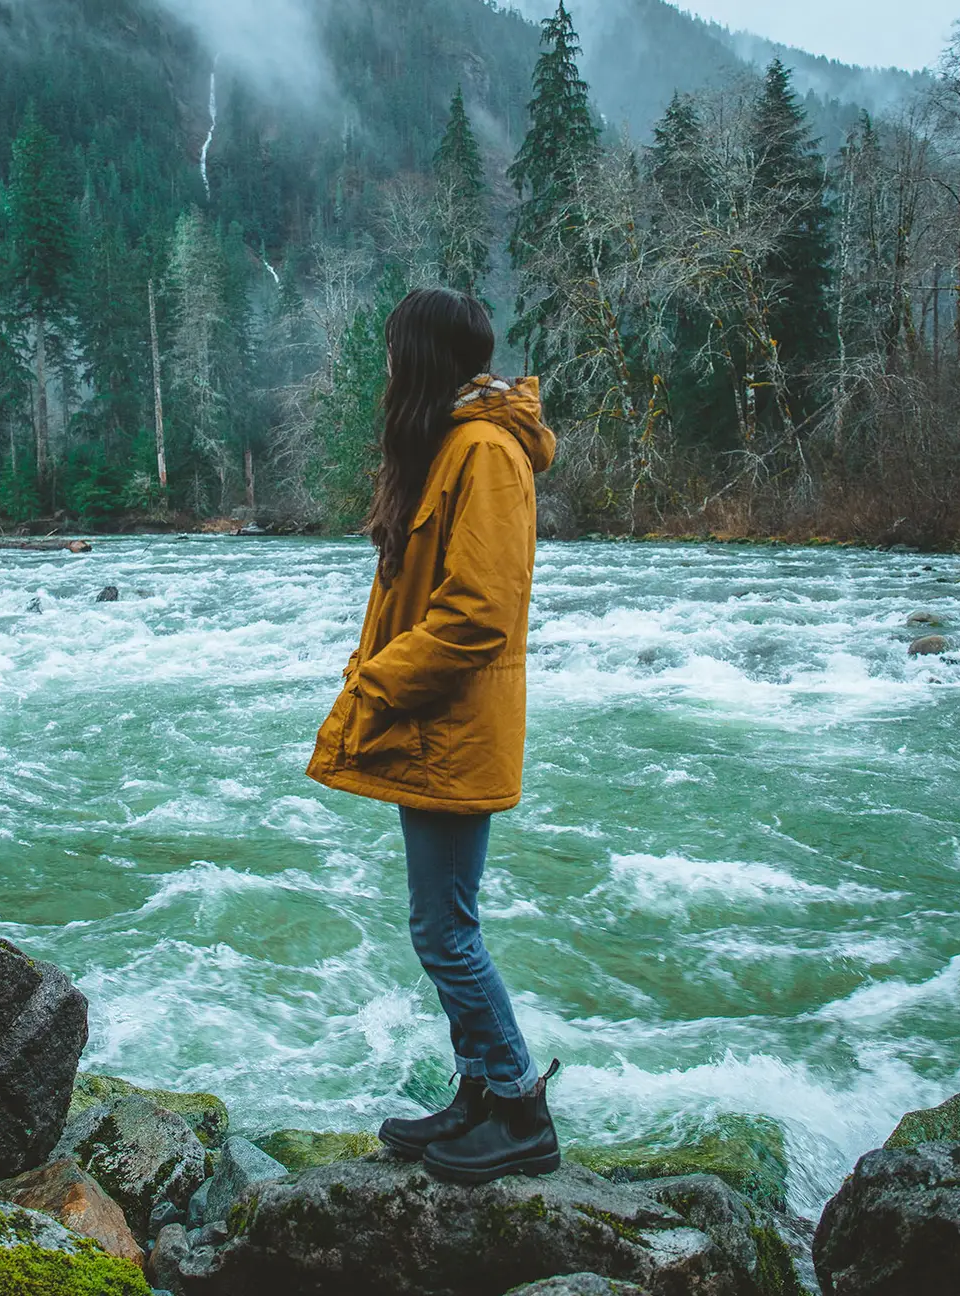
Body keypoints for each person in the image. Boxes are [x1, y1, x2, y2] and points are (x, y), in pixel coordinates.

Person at [306, 286, 560, 1185]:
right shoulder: (450, 444)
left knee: (445, 932)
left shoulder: (486, 453)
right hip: (435, 730)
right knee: (442, 922)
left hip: (450, 728)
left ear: (421, 358)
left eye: (390, 350)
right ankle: (480, 1095)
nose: (383, 367)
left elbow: (478, 615)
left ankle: (521, 1107)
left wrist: (374, 686)